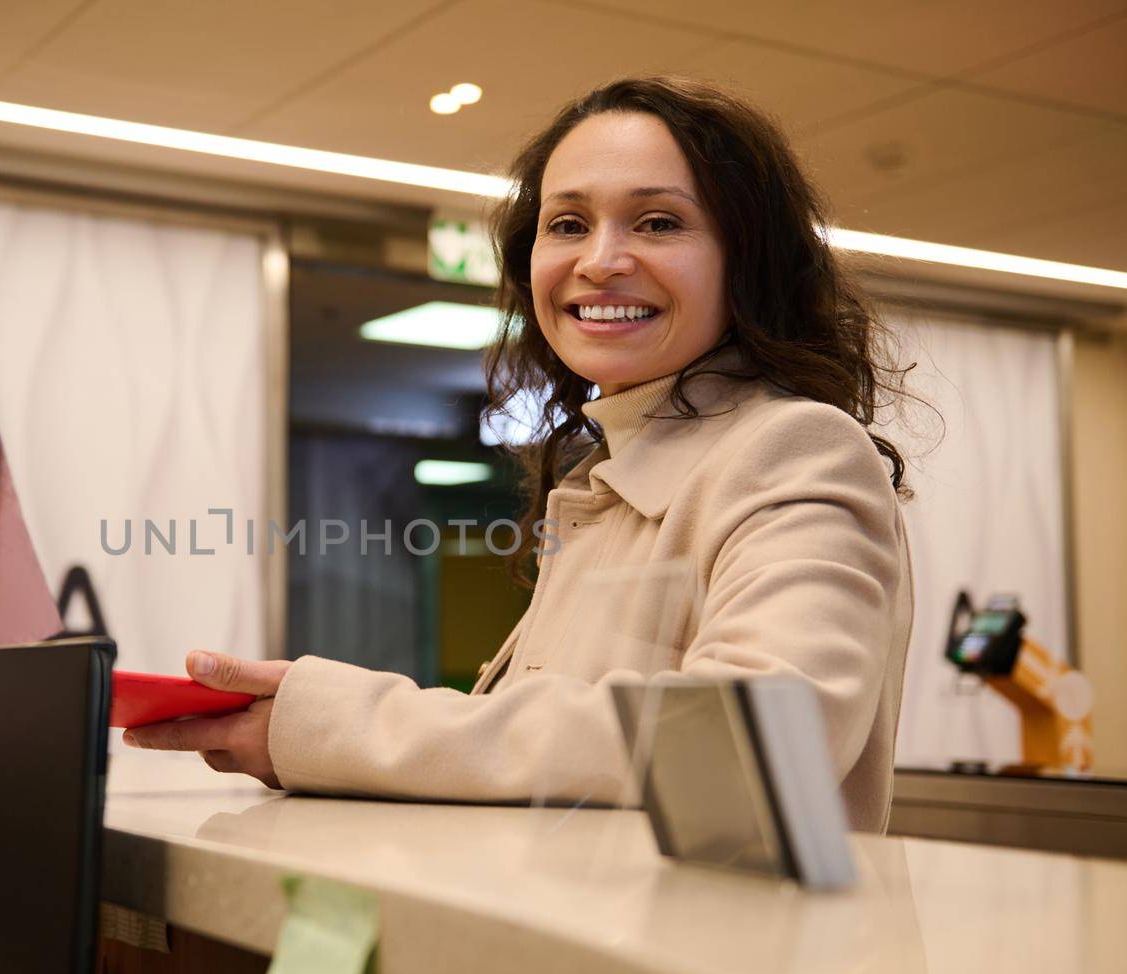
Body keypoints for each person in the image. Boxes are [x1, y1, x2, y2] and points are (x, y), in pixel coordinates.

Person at [122, 76, 916, 832]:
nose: (599, 260)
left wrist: (338, 726)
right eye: (567, 224)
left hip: (725, 963)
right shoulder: (605, 475)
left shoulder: (793, 448)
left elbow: (766, 739)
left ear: (750, 260)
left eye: (659, 223)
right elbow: (551, 762)